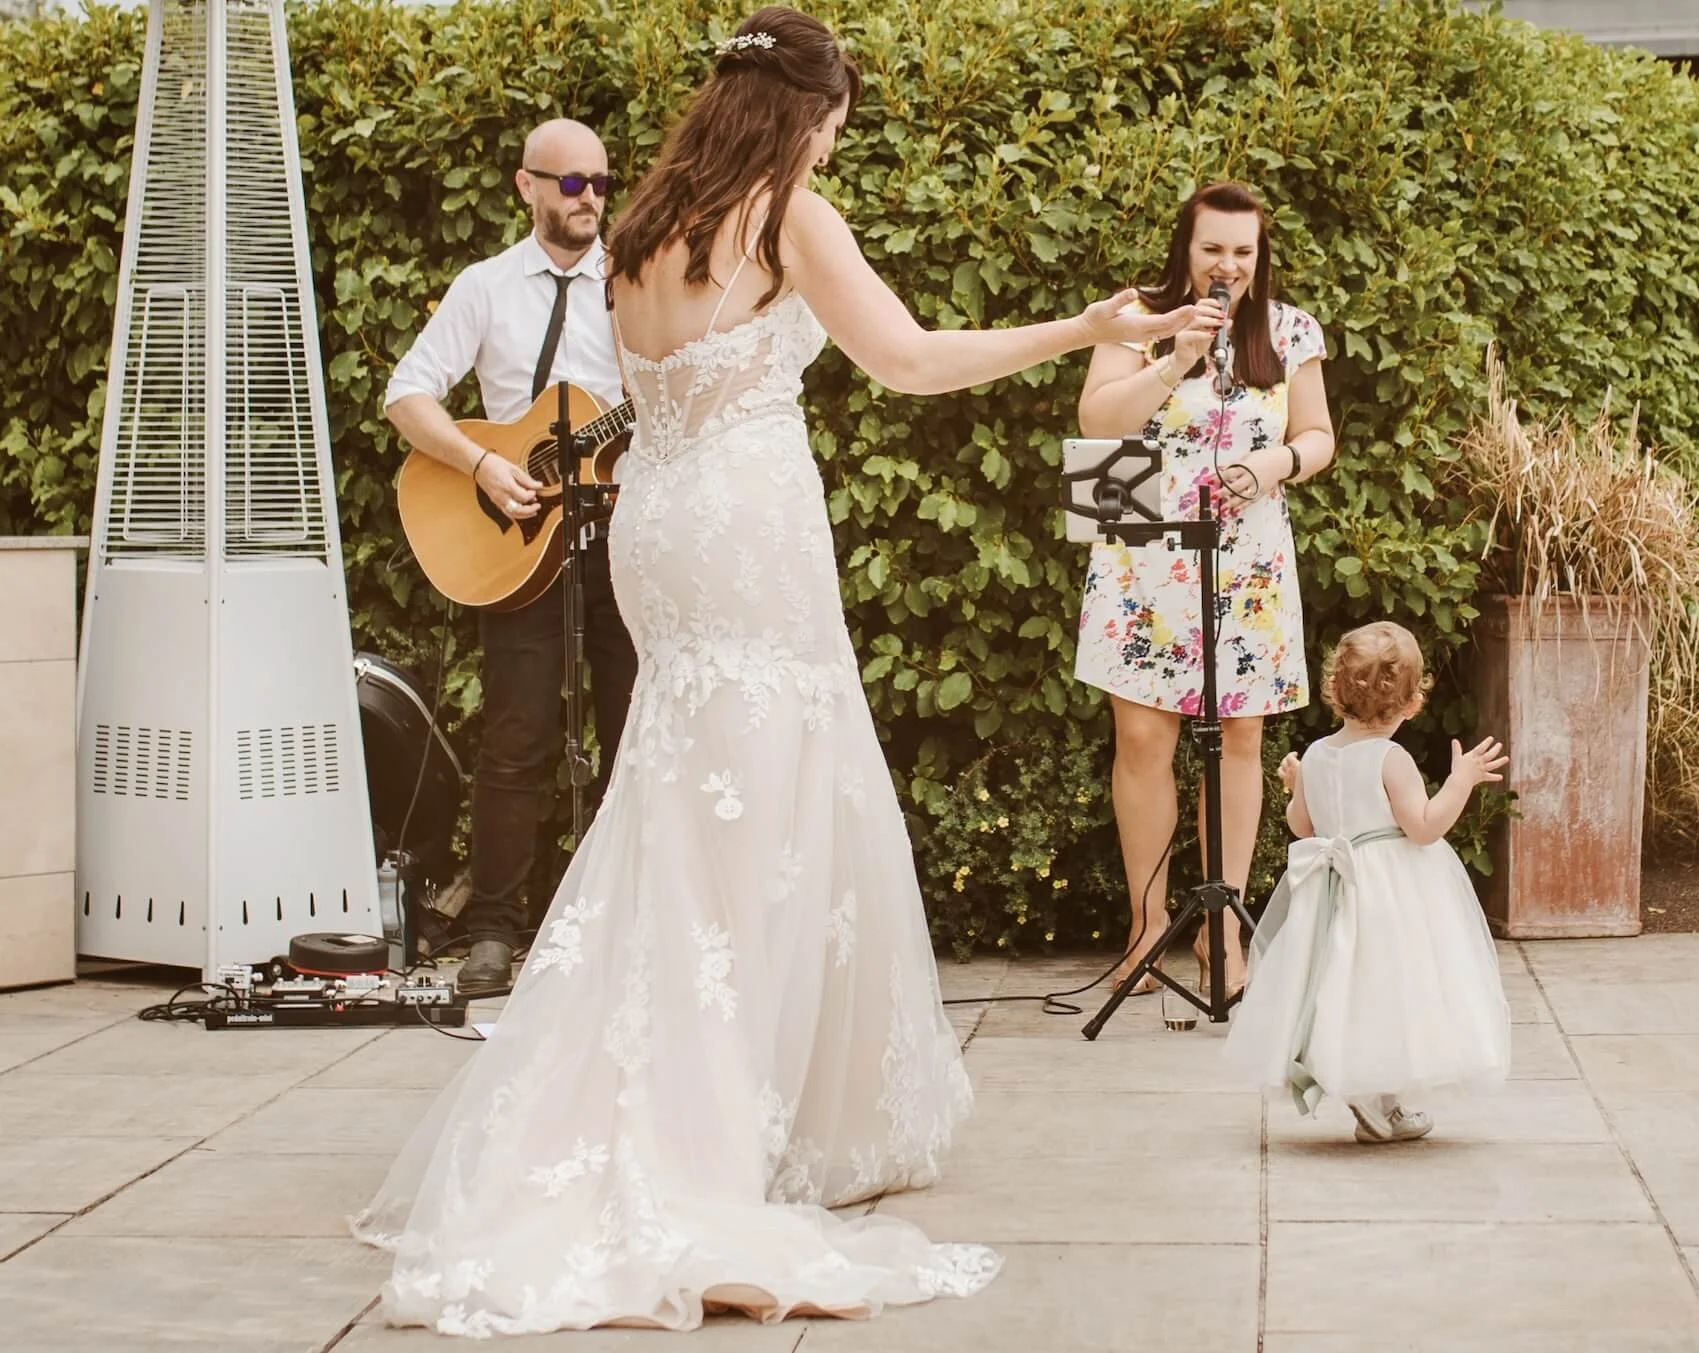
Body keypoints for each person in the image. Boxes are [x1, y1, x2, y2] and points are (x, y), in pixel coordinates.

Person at [350, 6, 1198, 1335]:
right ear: (809, 113)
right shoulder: (784, 209)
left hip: (657, 529)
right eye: (838, 118)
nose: (835, 139)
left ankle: (698, 1087)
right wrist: (1072, 326)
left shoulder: (635, 228)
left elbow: (645, 389)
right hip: (743, 522)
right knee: (759, 823)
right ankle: (705, 1131)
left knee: (681, 804)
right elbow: (908, 362)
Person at [384, 119, 638, 993]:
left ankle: (614, 926)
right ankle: (494, 928)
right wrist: (485, 464)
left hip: (620, 543)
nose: (590, 199)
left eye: (601, 182)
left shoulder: (634, 284)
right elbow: (406, 395)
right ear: (525, 185)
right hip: (519, 547)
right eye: (570, 184)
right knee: (515, 740)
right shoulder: (485, 287)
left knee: (633, 732)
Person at [1074, 181, 1336, 997]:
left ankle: (1223, 930)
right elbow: (1095, 425)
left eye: (1242, 251)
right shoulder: (1135, 317)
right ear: (1183, 247)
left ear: (1259, 257)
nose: (1227, 265)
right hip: (1140, 544)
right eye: (1211, 248)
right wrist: (1177, 357)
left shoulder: (1288, 330)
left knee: (1241, 740)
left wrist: (1274, 463)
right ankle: (1146, 928)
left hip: (1247, 555)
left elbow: (1318, 436)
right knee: (1144, 741)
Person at [1222, 621, 1512, 1142]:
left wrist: (1296, 786)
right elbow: (1423, 828)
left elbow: (1302, 827)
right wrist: (1460, 780)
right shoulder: (1390, 758)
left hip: (1333, 889)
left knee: (1343, 986)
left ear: (1334, 690)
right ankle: (1383, 1101)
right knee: (1392, 988)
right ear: (1412, 702)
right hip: (1387, 891)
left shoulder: (1316, 755)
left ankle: (1373, 1094)